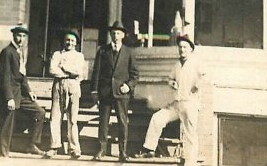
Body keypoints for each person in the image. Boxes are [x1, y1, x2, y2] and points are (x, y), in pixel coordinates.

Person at [132, 35, 202, 166]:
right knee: (157, 118)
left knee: (190, 134)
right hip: (176, 104)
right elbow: (170, 79)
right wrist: (172, 83)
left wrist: (196, 86)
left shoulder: (196, 62)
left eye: (185, 47)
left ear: (191, 49)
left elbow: (204, 76)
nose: (182, 50)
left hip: (190, 104)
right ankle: (149, 149)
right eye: (180, 47)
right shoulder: (177, 65)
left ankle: (190, 162)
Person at [90, 20, 139, 162]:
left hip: (121, 93)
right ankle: (101, 149)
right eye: (113, 33)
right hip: (105, 92)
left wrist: (128, 86)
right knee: (103, 122)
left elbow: (135, 74)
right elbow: (96, 72)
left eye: (118, 33)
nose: (115, 35)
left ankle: (122, 152)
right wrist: (94, 91)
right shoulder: (103, 50)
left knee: (122, 122)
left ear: (123, 35)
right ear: (110, 35)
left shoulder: (129, 52)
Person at [0, 23, 45, 158]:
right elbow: (5, 76)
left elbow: (22, 75)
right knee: (7, 124)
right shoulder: (7, 52)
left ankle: (32, 144)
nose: (21, 39)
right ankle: (3, 153)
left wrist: (29, 91)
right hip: (11, 95)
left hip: (20, 94)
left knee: (40, 113)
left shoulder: (20, 52)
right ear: (14, 35)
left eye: (24, 36)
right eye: (19, 35)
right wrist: (9, 98)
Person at [45, 29, 88, 159]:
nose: (69, 43)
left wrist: (63, 67)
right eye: (67, 40)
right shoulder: (57, 54)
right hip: (58, 85)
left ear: (76, 43)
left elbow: (78, 72)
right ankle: (54, 146)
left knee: (72, 119)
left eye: (72, 40)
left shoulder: (79, 56)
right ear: (64, 41)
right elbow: (52, 69)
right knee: (55, 117)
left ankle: (74, 148)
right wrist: (68, 73)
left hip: (73, 87)